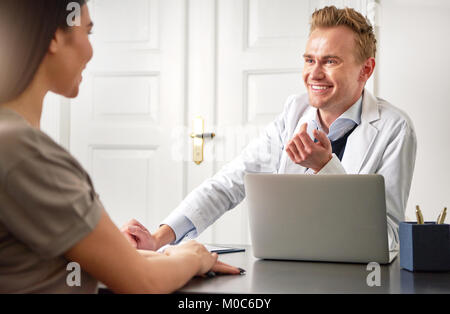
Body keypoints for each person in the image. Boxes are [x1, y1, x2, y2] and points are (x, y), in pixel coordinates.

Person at [122, 6, 417, 252]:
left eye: (330, 61)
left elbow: (389, 239)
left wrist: (325, 167)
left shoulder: (394, 128)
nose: (314, 73)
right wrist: (158, 239)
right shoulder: (294, 113)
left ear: (366, 69)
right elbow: (228, 184)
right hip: (286, 268)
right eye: (309, 60)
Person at [0, 0, 240, 294]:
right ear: (54, 37)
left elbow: (69, 260)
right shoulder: (24, 151)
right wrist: (192, 258)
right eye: (87, 32)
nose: (90, 50)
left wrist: (164, 257)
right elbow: (143, 282)